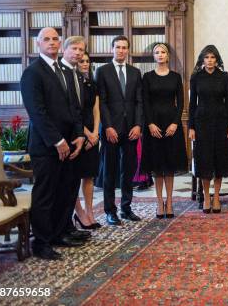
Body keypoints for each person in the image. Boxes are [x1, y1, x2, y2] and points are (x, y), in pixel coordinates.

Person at [20, 27, 84, 260]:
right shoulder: (32, 73)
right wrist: (57, 141)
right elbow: (37, 113)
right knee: (45, 195)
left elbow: (75, 108)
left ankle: (58, 234)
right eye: (46, 39)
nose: (52, 42)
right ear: (38, 44)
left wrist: (78, 135)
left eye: (55, 39)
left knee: (65, 192)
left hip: (70, 144)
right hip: (47, 147)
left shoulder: (65, 71)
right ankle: (41, 243)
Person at [96, 35, 143, 226]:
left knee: (128, 170)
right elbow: (102, 102)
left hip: (131, 129)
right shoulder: (102, 71)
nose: (121, 50)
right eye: (118, 47)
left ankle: (126, 208)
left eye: (124, 47)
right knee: (110, 171)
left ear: (128, 50)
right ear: (112, 49)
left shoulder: (135, 72)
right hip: (111, 130)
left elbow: (139, 101)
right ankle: (110, 211)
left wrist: (139, 125)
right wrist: (107, 126)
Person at [188, 45, 228, 213]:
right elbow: (192, 103)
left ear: (217, 60)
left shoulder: (224, 77)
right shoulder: (196, 77)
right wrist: (191, 127)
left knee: (219, 160)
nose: (209, 60)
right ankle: (206, 197)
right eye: (207, 57)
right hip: (201, 123)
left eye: (212, 57)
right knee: (204, 160)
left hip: (221, 122)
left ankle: (216, 196)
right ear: (202, 59)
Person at [142, 43, 187, 218]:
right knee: (157, 166)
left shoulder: (176, 77)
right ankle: (159, 201)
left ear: (168, 56)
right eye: (157, 52)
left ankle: (169, 201)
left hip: (171, 125)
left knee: (169, 165)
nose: (160, 55)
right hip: (153, 125)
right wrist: (150, 123)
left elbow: (181, 102)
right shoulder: (147, 77)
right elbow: (145, 102)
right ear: (153, 56)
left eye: (163, 52)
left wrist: (176, 123)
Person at [56, 37, 94, 243]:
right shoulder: (59, 72)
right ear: (65, 49)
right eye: (75, 49)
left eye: (82, 50)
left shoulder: (77, 75)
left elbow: (78, 109)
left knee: (72, 184)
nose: (79, 53)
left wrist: (81, 134)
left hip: (76, 137)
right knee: (61, 186)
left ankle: (69, 226)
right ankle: (60, 229)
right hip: (60, 138)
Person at [73, 51, 101, 229]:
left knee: (89, 176)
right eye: (81, 61)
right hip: (77, 134)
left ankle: (90, 212)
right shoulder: (71, 83)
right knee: (74, 177)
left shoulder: (92, 84)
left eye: (87, 61)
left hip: (92, 134)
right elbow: (73, 113)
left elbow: (96, 110)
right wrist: (87, 134)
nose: (85, 64)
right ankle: (79, 213)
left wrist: (96, 133)